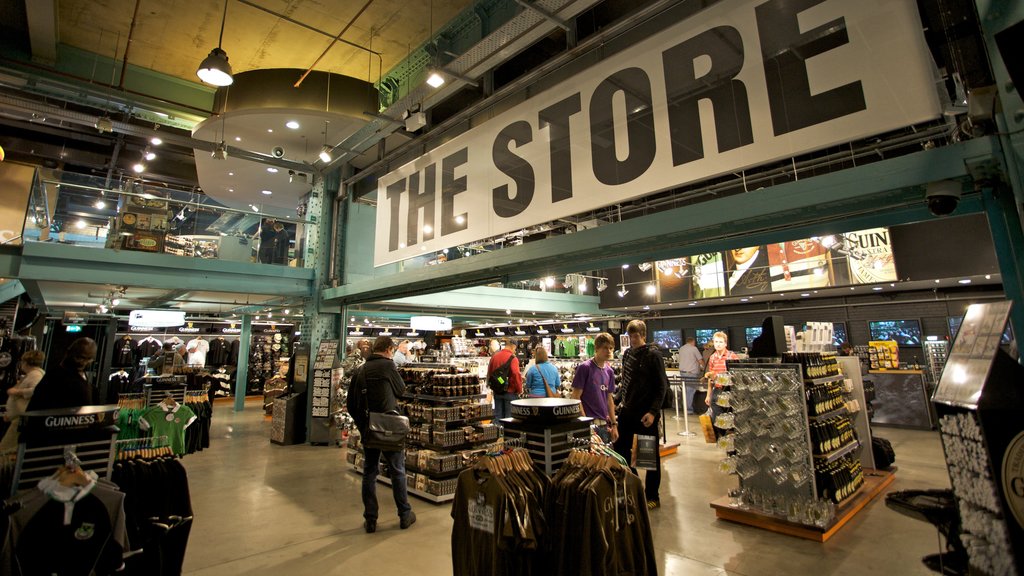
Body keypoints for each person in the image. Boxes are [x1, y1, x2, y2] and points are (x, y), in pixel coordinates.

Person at [345, 336, 415, 534]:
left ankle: (371, 519)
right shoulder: (388, 366)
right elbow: (401, 390)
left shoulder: (360, 370)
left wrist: (363, 424)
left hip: (369, 428)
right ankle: (404, 514)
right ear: (389, 349)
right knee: (397, 470)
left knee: (369, 472)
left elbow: (351, 404)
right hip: (391, 427)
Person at [612, 320, 669, 510]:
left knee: (648, 456)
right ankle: (634, 485)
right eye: (630, 336)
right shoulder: (627, 354)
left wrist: (653, 412)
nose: (633, 339)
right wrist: (617, 400)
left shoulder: (653, 355)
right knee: (621, 449)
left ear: (643, 335)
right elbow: (626, 383)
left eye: (636, 336)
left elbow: (662, 387)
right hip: (627, 411)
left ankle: (652, 495)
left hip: (645, 414)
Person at [570, 333, 618, 444]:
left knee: (606, 460)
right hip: (590, 424)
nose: (609, 351)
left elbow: (609, 400)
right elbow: (575, 397)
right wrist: (585, 423)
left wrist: (614, 425)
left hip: (604, 426)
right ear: (596, 348)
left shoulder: (609, 371)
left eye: (611, 348)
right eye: (605, 348)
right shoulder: (585, 368)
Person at [27, 337, 98, 411]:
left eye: (89, 359)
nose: (83, 362)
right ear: (69, 353)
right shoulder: (54, 376)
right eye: (79, 357)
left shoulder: (84, 379)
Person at [1, 350, 46, 451]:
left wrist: (16, 391)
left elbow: (35, 391)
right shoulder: (35, 374)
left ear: (26, 362)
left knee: (5, 449)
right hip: (19, 418)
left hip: (21, 419)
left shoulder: (36, 375)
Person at [704, 331, 739, 439]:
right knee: (717, 418)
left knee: (731, 417)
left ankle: (732, 440)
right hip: (717, 390)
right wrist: (708, 394)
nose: (718, 344)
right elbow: (711, 377)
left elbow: (737, 375)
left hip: (729, 390)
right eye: (716, 342)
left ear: (725, 343)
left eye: (720, 342)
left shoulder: (731, 356)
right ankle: (723, 438)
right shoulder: (713, 357)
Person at [486, 341, 522, 421]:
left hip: (497, 391)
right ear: (512, 347)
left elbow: (490, 372)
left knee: (498, 416)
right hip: (510, 391)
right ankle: (507, 433)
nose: (515, 351)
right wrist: (519, 389)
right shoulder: (513, 358)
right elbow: (516, 374)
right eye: (515, 349)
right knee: (509, 418)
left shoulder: (494, 357)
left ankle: (498, 432)